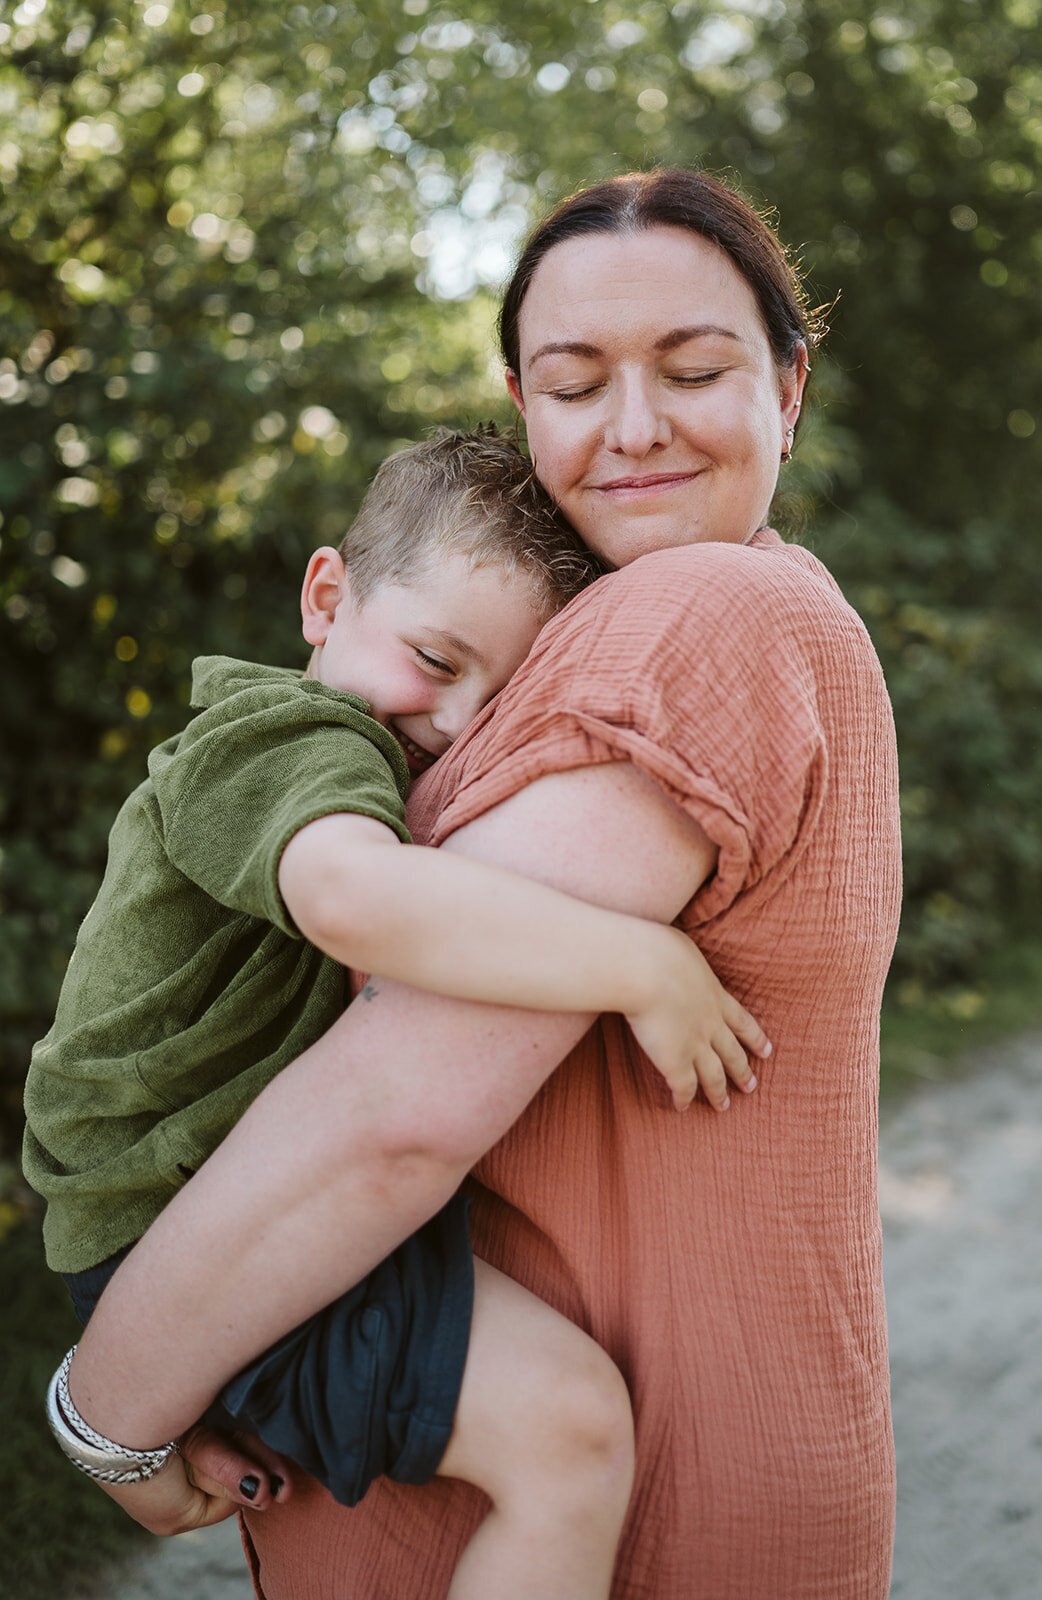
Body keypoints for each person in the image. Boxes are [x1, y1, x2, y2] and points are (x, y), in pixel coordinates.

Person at [54, 169, 902, 1599]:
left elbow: (393, 1113)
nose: (632, 426)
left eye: (694, 369)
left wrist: (107, 1416)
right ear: (522, 404)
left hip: (645, 1517)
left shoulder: (697, 613)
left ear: (788, 385)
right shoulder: (651, 615)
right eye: (573, 384)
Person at [26, 425, 768, 1598]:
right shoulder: (277, 739)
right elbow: (353, 900)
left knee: (573, 1418)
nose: (460, 721)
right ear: (327, 597)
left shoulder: (364, 746)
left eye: (501, 697)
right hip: (176, 1224)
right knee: (569, 1434)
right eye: (435, 657)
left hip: (236, 1197)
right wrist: (641, 965)